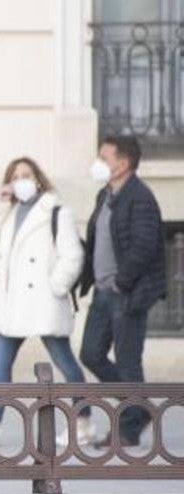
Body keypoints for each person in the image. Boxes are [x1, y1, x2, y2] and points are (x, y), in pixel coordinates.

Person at [0, 156, 91, 446]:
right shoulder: (9, 211)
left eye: (26, 175)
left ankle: (82, 422)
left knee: (65, 363)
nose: (21, 181)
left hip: (44, 302)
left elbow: (73, 255)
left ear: (38, 178)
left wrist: (56, 286)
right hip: (13, 305)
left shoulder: (56, 211)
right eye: (15, 177)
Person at [78, 135, 168, 448]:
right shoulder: (106, 196)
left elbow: (144, 246)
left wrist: (122, 282)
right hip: (103, 293)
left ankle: (129, 429)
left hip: (127, 294)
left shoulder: (139, 197)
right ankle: (139, 408)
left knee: (128, 361)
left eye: (104, 157)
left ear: (123, 164)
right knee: (90, 353)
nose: (98, 162)